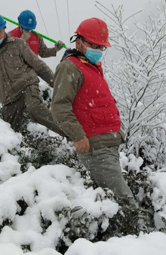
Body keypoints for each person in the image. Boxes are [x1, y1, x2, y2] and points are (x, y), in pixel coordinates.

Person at [51, 17, 135, 205]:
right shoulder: (70, 67)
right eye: (94, 45)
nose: (98, 51)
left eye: (101, 47)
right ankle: (143, 234)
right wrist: (77, 135)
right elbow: (59, 107)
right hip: (96, 148)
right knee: (126, 203)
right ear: (78, 41)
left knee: (113, 202)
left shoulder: (90, 66)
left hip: (108, 145)